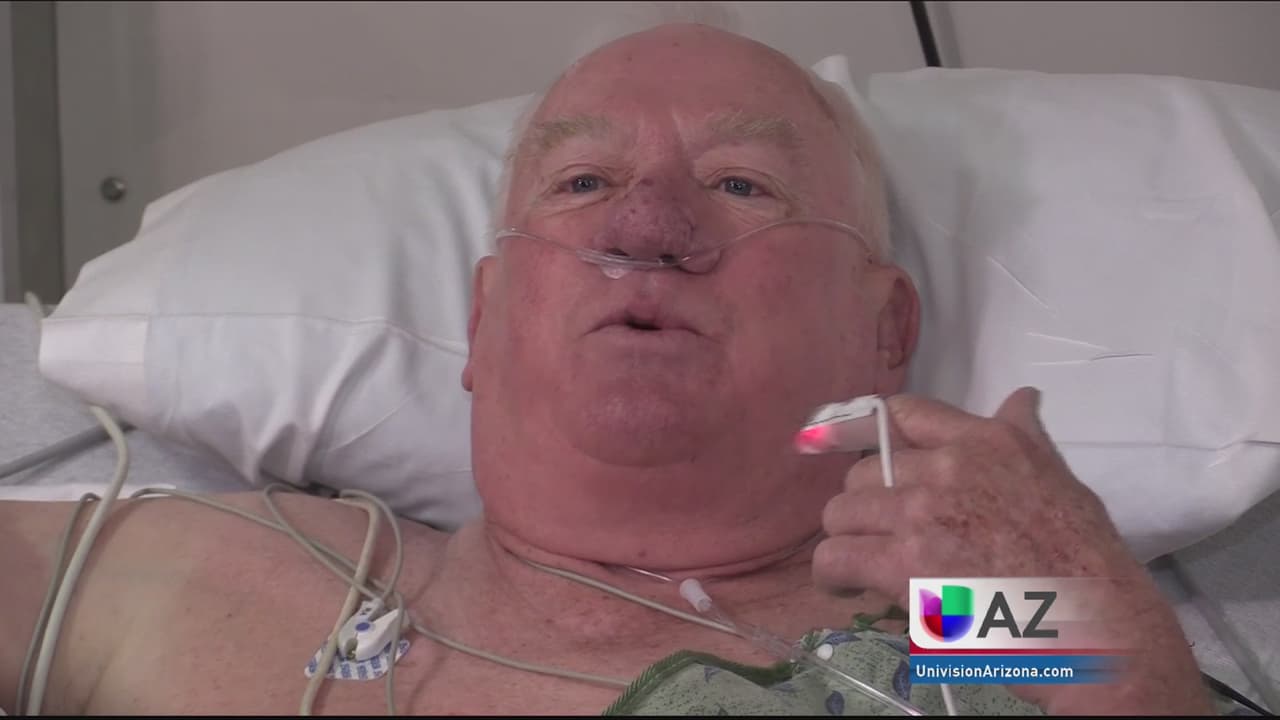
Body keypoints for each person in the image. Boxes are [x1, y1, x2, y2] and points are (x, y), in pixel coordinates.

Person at [1, 22, 1218, 716]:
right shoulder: (219, 580)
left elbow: (1112, 672)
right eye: (581, 182)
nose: (644, 229)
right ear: (483, 318)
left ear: (882, 330)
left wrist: (1089, 599)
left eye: (742, 184)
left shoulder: (966, 624)